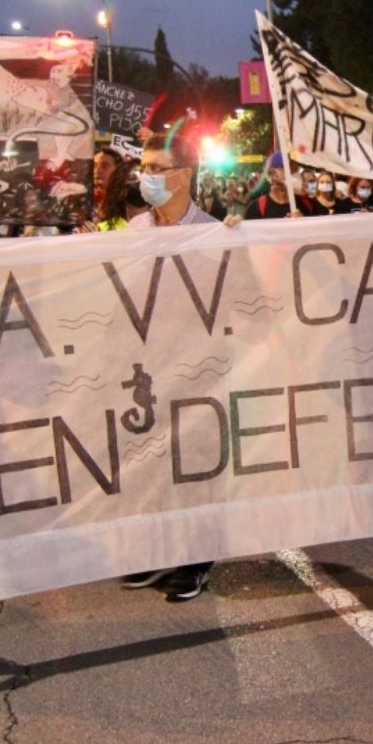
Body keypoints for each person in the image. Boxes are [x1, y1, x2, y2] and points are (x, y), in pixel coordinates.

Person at [123, 133, 240, 600]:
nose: (146, 177)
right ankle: (152, 550)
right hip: (146, 371)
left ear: (184, 174)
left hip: (197, 370)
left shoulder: (214, 232)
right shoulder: (133, 232)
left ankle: (195, 559)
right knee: (149, 463)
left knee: (197, 465)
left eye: (157, 168)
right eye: (144, 168)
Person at [245, 153, 318, 219]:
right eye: (290, 169)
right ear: (273, 174)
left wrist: (303, 222)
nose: (296, 175)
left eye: (296, 169)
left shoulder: (308, 205)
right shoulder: (256, 208)